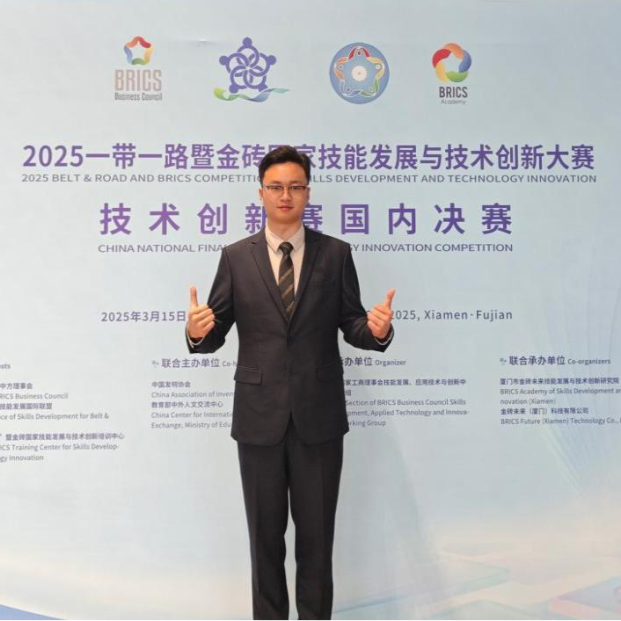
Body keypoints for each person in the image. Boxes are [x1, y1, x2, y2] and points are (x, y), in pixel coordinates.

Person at [186, 146, 394, 621]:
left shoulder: (335, 254)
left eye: (295, 187)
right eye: (276, 187)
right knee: (264, 543)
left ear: (307, 193)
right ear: (260, 193)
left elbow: (352, 324)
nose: (286, 195)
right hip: (258, 420)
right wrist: (197, 332)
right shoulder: (236, 258)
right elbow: (215, 332)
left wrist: (377, 330)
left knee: (317, 543)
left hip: (319, 420)